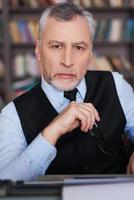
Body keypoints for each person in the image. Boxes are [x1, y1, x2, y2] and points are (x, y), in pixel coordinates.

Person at [0, 2, 134, 181]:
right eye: (56, 46)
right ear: (38, 50)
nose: (68, 61)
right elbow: (4, 183)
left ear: (91, 53)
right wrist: (53, 130)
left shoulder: (116, 85)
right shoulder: (12, 114)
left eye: (79, 47)